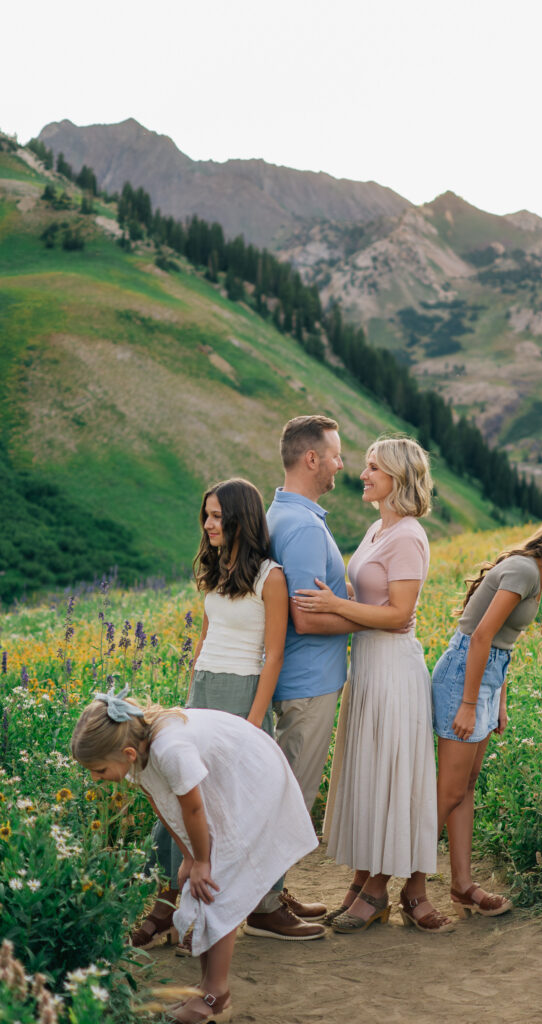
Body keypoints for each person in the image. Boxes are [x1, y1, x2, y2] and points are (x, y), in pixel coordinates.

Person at [71, 689, 317, 1024]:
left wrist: (203, 862)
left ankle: (216, 998)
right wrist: (188, 855)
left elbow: (194, 807)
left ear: (126, 752)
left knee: (217, 886)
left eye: (98, 770)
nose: (95, 779)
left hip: (255, 778)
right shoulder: (137, 753)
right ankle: (206, 990)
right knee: (205, 882)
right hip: (226, 779)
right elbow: (164, 806)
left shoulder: (171, 749)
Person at [294, 437, 453, 933]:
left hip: (393, 670)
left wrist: (336, 607)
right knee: (370, 773)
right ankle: (364, 882)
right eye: (364, 466)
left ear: (398, 479)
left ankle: (378, 889)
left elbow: (400, 614)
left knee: (390, 774)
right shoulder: (375, 528)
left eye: (373, 468)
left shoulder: (407, 535)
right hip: (367, 666)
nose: (362, 474)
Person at [132, 478, 290, 951]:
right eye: (207, 515)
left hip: (242, 694)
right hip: (202, 690)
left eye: (218, 516)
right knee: (179, 796)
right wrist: (188, 699)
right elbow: (206, 636)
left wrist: (254, 720)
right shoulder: (216, 569)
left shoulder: (271, 576)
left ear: (242, 516)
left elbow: (274, 655)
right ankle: (166, 904)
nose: (208, 524)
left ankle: (207, 913)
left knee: (221, 806)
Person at [432, 504, 542, 918]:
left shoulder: (538, 572)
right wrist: (467, 702)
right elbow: (479, 638)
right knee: (448, 794)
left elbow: (502, 645)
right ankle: (407, 887)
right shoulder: (525, 570)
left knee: (465, 789)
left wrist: (499, 702)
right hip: (464, 677)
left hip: (483, 680)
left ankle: (462, 885)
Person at [243, 414, 361, 941]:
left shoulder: (282, 515)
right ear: (311, 458)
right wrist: (366, 616)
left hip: (297, 677)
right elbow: (307, 616)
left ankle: (272, 893)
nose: (342, 463)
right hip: (309, 681)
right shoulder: (305, 526)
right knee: (291, 796)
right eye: (335, 453)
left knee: (283, 790)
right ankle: (265, 908)